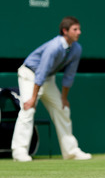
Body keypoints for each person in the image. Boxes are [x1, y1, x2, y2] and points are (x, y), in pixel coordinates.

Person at [11, 16, 91, 162]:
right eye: (75, 29)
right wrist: (33, 99)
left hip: (47, 78)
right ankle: (19, 151)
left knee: (63, 109)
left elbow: (69, 75)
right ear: (65, 31)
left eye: (79, 29)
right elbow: (41, 72)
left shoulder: (76, 49)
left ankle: (71, 152)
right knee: (28, 108)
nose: (79, 32)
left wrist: (64, 98)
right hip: (30, 74)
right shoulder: (54, 47)